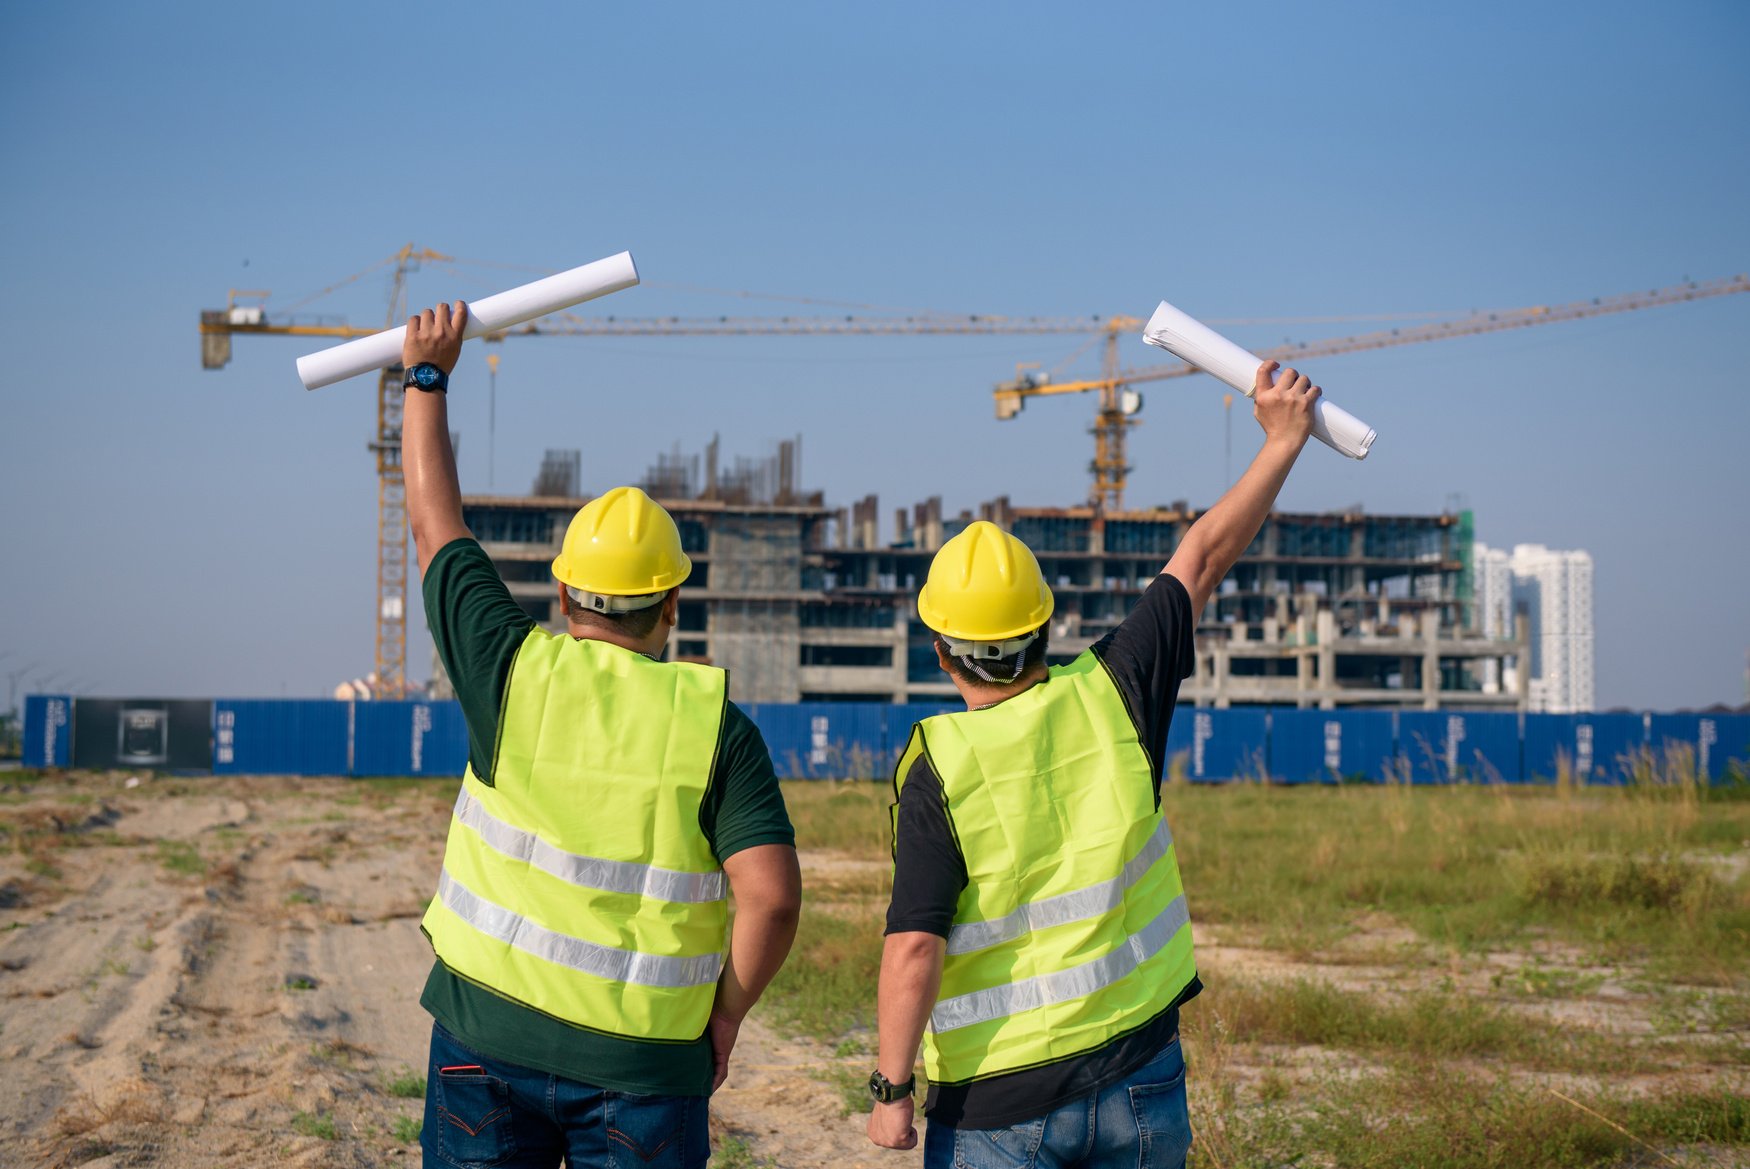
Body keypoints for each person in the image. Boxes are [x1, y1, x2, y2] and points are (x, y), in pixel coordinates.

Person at [866, 360, 1321, 1168]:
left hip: (997, 1108)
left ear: (941, 652)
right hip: (1141, 1071)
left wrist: (892, 1090)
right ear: (1047, 626)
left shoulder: (940, 762)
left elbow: (914, 947)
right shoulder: (1114, 686)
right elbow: (1204, 555)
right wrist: (1284, 439)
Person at [399, 301, 802, 1169]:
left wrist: (427, 376)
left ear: (564, 597)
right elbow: (770, 897)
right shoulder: (716, 727)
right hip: (645, 1068)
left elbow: (436, 524)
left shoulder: (508, 670)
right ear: (671, 608)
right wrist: (723, 1015)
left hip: (484, 1036)